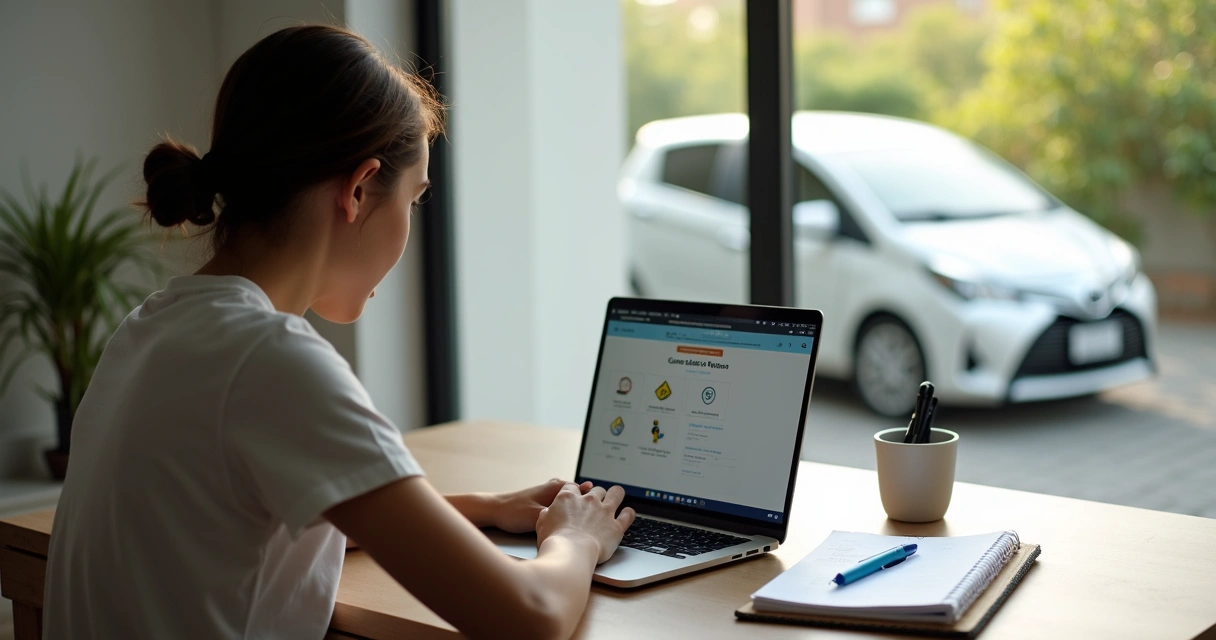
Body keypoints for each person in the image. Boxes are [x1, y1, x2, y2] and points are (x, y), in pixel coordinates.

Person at [42, 24, 634, 640]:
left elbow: (289, 510)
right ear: (357, 189)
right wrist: (576, 539)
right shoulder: (272, 361)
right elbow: (530, 618)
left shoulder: (152, 329)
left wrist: (484, 508)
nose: (409, 228)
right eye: (414, 199)